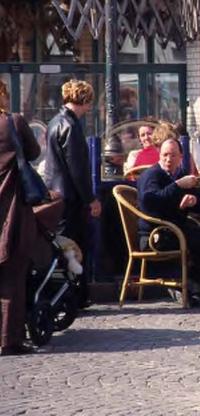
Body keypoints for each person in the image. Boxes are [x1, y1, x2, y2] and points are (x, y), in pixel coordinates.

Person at [137, 140, 200, 303]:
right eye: (165, 155)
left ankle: (197, 286)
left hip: (176, 229)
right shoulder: (152, 175)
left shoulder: (180, 174)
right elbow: (150, 202)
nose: (168, 159)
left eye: (173, 155)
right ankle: (191, 287)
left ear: (180, 157)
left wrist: (193, 200)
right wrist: (178, 185)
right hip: (155, 234)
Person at [43, 79, 99, 307]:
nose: (89, 108)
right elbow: (77, 169)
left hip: (56, 194)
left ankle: (67, 294)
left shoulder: (55, 121)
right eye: (88, 103)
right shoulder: (71, 126)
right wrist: (91, 199)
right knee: (75, 248)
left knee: (62, 247)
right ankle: (75, 295)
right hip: (71, 199)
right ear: (84, 100)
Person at [0, 97, 41, 356]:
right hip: (10, 207)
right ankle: (8, 339)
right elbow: (35, 152)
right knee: (13, 275)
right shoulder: (12, 122)